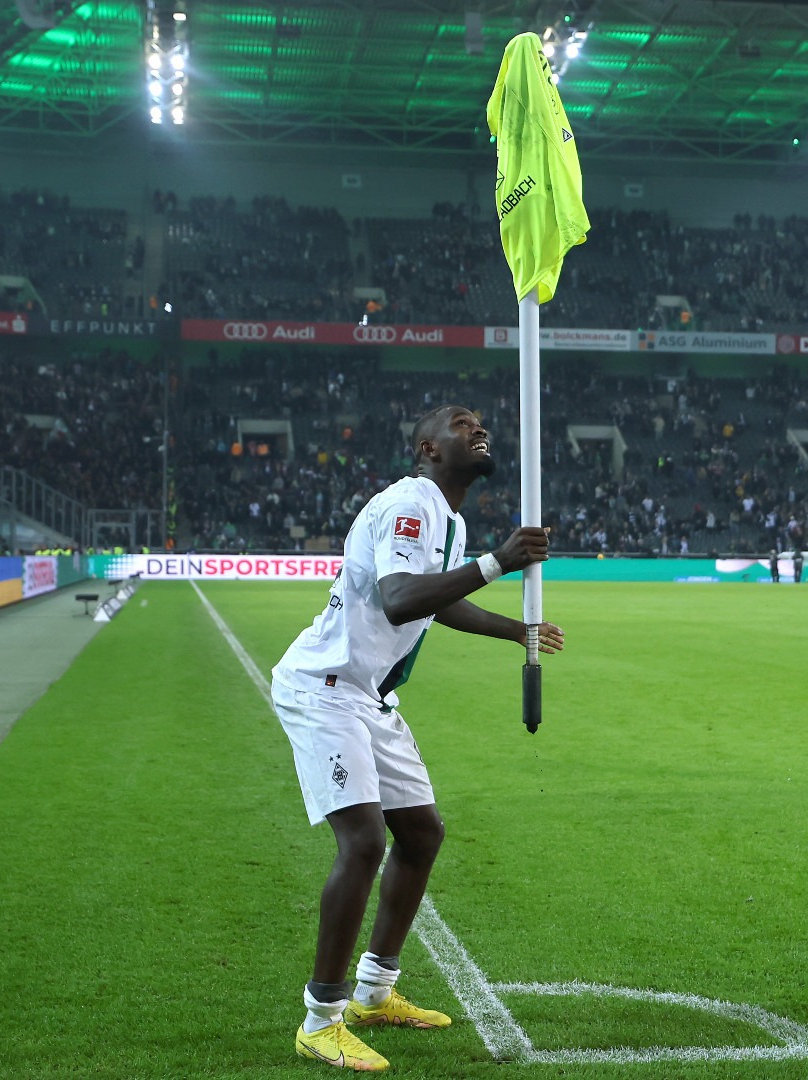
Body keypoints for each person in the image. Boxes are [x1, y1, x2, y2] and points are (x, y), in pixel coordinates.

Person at [271, 405, 560, 1071]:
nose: (480, 429)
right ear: (428, 448)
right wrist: (500, 560)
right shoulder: (410, 501)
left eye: (482, 424)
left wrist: (513, 630)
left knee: (421, 832)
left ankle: (376, 992)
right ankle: (321, 1019)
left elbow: (436, 600)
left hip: (368, 694)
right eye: (464, 424)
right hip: (325, 685)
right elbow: (402, 597)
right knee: (365, 839)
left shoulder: (446, 518)